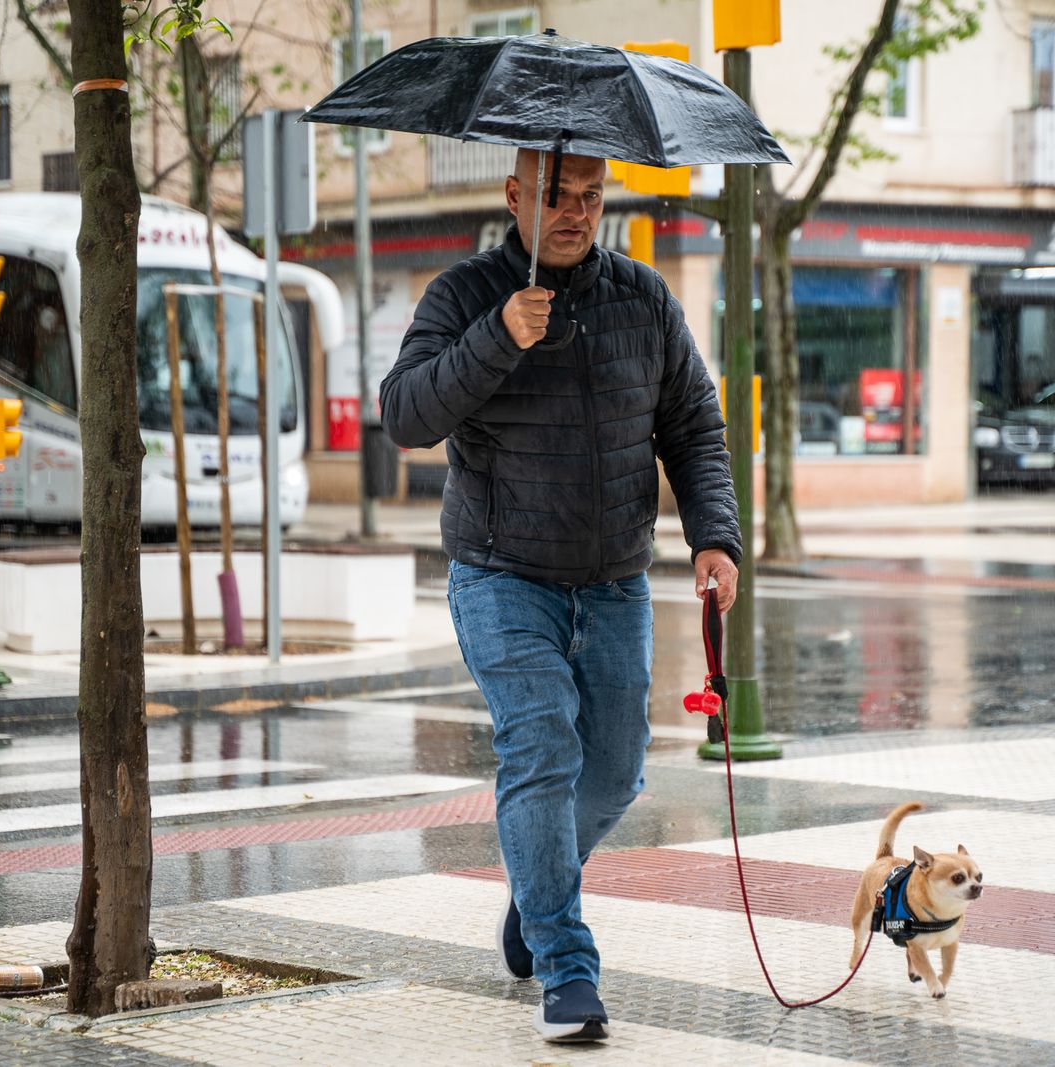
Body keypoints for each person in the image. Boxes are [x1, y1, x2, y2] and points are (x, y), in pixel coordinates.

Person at [380, 149, 739, 1043]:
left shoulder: (644, 298)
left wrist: (715, 537)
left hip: (615, 579)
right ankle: (566, 966)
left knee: (615, 771)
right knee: (541, 745)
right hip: (502, 575)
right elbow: (406, 416)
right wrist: (499, 336)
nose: (575, 211)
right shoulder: (464, 295)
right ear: (515, 197)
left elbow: (693, 424)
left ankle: (537, 892)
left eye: (589, 196)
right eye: (556, 196)